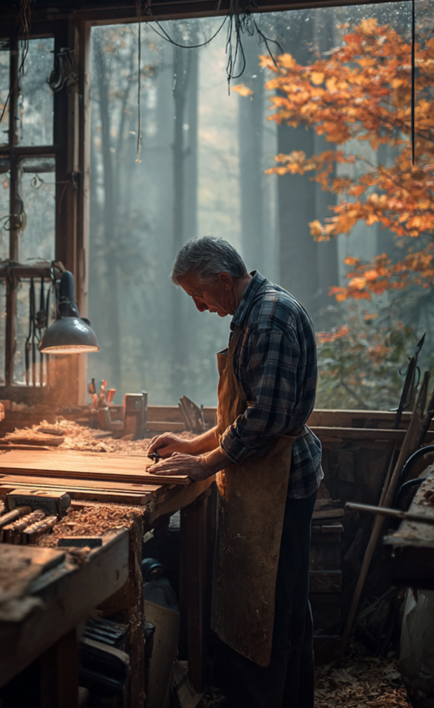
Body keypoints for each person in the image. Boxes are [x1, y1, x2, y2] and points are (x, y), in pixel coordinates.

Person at [146, 236, 323, 708]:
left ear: (224, 280)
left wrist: (204, 463)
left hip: (283, 483)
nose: (200, 308)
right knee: (272, 602)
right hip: (263, 477)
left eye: (198, 295)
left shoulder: (269, 318)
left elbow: (264, 420)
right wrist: (191, 444)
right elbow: (236, 418)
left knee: (275, 609)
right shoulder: (249, 315)